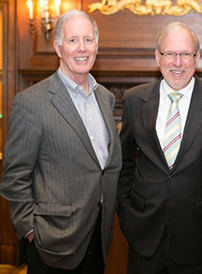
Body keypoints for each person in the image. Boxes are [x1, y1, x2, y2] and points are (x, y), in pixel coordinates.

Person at [0, 9, 122, 274]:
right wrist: (31, 231)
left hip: (98, 239)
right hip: (51, 244)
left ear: (97, 45)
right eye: (73, 40)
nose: (82, 48)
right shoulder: (32, 102)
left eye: (88, 40)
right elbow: (14, 177)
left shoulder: (106, 99)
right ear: (58, 47)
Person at [118, 21, 202, 273]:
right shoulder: (134, 99)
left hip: (199, 237)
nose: (178, 63)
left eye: (185, 54)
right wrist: (126, 213)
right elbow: (123, 163)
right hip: (144, 235)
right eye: (170, 54)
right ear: (158, 57)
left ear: (197, 58)